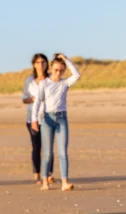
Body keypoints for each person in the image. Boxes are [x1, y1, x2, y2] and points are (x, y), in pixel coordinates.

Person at [31, 53, 80, 191]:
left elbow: (77, 75)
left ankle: (65, 181)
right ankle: (45, 180)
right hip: (47, 119)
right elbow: (37, 102)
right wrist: (34, 119)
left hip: (62, 119)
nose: (58, 73)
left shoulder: (65, 83)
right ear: (51, 68)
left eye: (61, 70)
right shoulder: (44, 83)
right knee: (47, 153)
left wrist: (66, 60)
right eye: (56, 70)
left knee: (63, 151)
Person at [22, 53, 54, 184]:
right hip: (32, 118)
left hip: (48, 116)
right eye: (38, 62)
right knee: (36, 146)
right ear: (34, 65)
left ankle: (49, 173)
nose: (41, 65)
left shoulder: (52, 78)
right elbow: (24, 98)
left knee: (49, 147)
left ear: (47, 64)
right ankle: (37, 174)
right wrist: (34, 99)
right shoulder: (29, 80)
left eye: (43, 62)